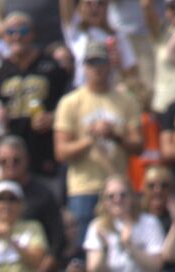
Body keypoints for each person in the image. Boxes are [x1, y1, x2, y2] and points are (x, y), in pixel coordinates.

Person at [54, 39, 142, 244]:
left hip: (118, 188)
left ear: (109, 64)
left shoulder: (127, 101)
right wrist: (90, 139)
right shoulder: (70, 102)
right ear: (84, 67)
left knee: (121, 245)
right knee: (84, 247)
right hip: (83, 188)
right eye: (91, 63)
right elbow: (61, 152)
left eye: (101, 62)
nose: (97, 68)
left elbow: (138, 146)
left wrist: (115, 135)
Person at [0, 11, 71, 177]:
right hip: (10, 153)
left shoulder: (51, 68)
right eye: (10, 32)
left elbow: (69, 103)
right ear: (3, 37)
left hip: (43, 150)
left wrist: (53, 118)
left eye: (22, 31)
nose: (17, 37)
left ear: (32, 34)